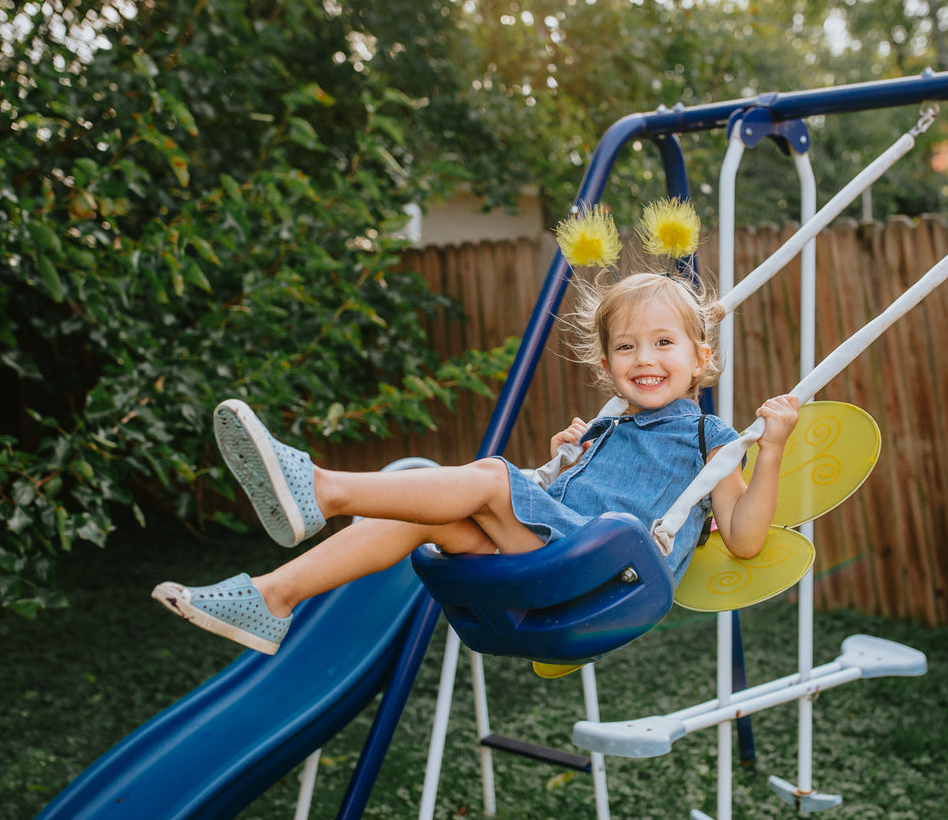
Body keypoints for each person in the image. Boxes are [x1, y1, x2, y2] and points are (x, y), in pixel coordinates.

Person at [152, 269, 799, 655]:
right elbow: (579, 490)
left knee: (490, 474)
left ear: (700, 358)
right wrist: (564, 466)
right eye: (625, 346)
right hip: (553, 552)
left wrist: (767, 448)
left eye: (663, 342)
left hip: (606, 571)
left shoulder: (711, 436)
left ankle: (320, 489)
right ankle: (272, 597)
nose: (644, 357)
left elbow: (742, 538)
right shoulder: (607, 424)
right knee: (415, 498)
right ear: (605, 365)